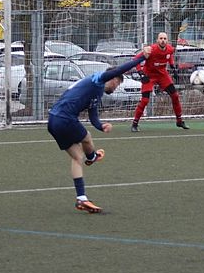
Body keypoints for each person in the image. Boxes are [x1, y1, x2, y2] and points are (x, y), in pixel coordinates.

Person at [49, 46, 151, 213]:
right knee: (87, 137)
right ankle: (92, 157)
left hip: (53, 120)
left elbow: (93, 116)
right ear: (113, 79)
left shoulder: (96, 93)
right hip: (64, 118)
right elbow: (120, 69)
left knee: (77, 157)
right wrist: (142, 58)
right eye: (118, 83)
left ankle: (81, 198)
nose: (117, 87)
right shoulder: (98, 79)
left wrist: (101, 126)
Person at [130, 32, 189, 132]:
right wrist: (141, 73)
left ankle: (179, 121)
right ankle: (135, 124)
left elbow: (169, 56)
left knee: (175, 96)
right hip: (149, 75)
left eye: (165, 39)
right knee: (145, 100)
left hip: (162, 75)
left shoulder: (170, 49)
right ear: (157, 40)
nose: (163, 40)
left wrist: (173, 67)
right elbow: (136, 59)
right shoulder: (151, 50)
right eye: (161, 38)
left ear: (167, 41)